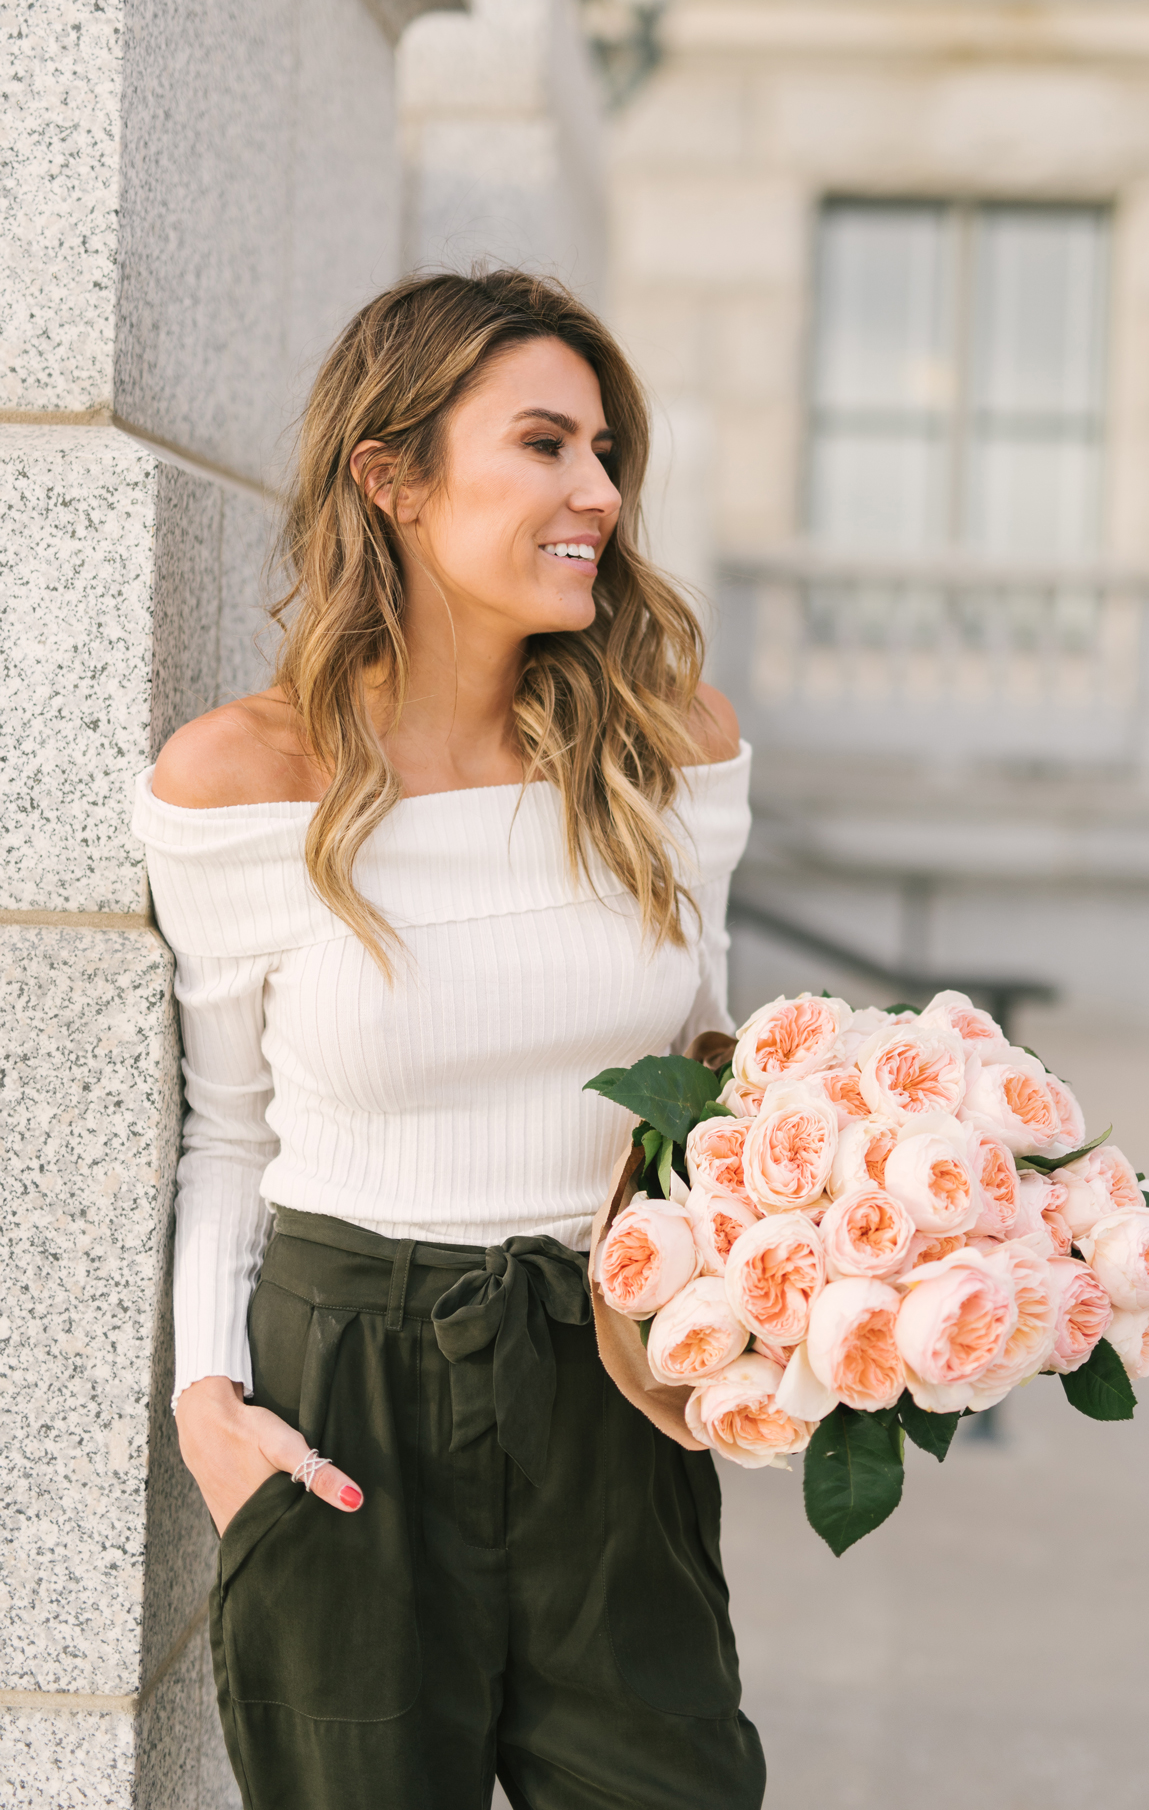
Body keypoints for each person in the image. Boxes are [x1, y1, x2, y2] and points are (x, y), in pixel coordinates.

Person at [132, 271, 765, 1810]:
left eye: (606, 453)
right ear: (391, 477)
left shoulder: (672, 749)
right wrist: (208, 1406)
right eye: (545, 444)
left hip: (607, 1390)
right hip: (349, 1398)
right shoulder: (245, 777)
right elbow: (230, 1135)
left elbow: (714, 1077)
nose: (598, 494)